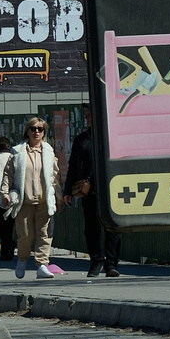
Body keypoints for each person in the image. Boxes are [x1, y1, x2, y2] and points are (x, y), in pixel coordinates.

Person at [10, 117, 64, 280]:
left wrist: (59, 198)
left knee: (44, 234)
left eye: (40, 129)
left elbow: (54, 177)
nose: (37, 132)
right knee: (25, 235)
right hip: (24, 201)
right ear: (27, 131)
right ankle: (22, 259)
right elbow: (9, 174)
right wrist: (6, 193)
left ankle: (42, 264)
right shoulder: (17, 152)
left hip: (43, 200)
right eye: (33, 129)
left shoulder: (48, 152)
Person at [66, 117, 118, 278]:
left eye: (91, 113)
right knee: (91, 228)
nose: (88, 117)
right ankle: (96, 261)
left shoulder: (112, 136)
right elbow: (73, 165)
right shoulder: (82, 140)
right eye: (87, 114)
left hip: (112, 188)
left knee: (113, 227)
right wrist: (68, 190)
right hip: (89, 191)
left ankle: (111, 264)